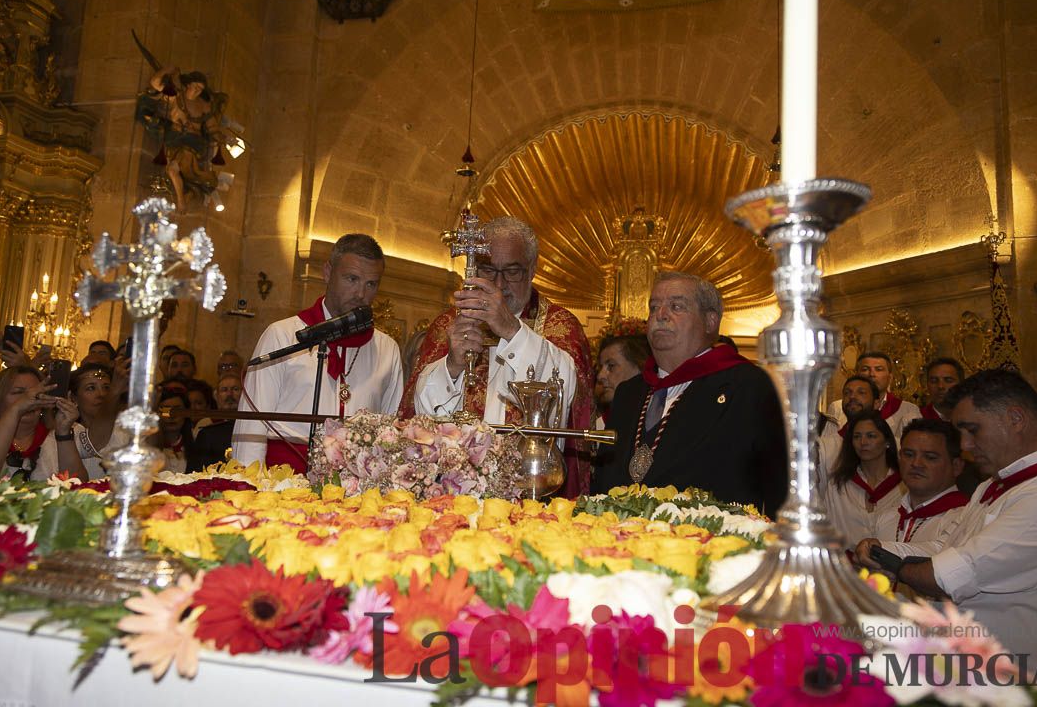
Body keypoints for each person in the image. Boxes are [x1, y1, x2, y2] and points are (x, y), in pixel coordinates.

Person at [855, 369, 1037, 692]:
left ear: (1015, 418)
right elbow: (946, 547)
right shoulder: (993, 485)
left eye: (973, 431)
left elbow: (950, 574)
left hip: (1030, 682)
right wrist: (880, 549)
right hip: (977, 673)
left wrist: (895, 567)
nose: (967, 446)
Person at [403, 217, 595, 496]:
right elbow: (420, 418)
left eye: (512, 271)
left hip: (530, 493)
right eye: (488, 270)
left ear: (532, 270)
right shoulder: (450, 324)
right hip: (455, 493)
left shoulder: (560, 326)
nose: (499, 284)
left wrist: (511, 330)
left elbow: (563, 397)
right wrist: (452, 366)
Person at [590, 272, 788, 516]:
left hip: (711, 544)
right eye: (654, 307)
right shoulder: (628, 393)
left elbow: (780, 487)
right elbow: (603, 479)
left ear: (710, 321)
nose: (660, 315)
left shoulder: (748, 386)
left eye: (676, 306)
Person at [233, 233, 403, 472]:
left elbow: (389, 430)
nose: (360, 294)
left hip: (356, 483)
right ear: (327, 272)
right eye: (351, 279)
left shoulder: (387, 349)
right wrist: (247, 487)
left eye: (371, 284)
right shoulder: (283, 335)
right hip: (284, 477)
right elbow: (251, 427)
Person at [0, 365, 87, 481]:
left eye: (36, 393)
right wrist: (16, 410)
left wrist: (63, 433)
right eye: (18, 393)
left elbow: (77, 485)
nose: (30, 399)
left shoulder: (54, 438)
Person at [875, 418, 968, 545]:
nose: (916, 463)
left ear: (956, 466)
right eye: (908, 454)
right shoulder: (887, 517)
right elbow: (867, 565)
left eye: (930, 457)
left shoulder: (964, 518)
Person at [825, 409, 904, 550]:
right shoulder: (838, 484)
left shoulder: (904, 485)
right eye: (857, 437)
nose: (863, 442)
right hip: (846, 565)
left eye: (871, 436)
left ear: (887, 442)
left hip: (892, 564)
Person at [826, 351, 921, 439]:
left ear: (890, 378)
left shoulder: (908, 410)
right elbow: (829, 445)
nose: (871, 374)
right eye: (865, 369)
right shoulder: (838, 408)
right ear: (856, 375)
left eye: (879, 369)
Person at [816, 375, 879, 495]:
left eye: (861, 392)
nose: (852, 397)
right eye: (847, 393)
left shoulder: (892, 443)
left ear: (876, 403)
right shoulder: (825, 446)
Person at [66, 363, 123, 480]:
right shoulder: (68, 432)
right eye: (91, 388)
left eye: (107, 388)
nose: (101, 395)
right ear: (73, 398)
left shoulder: (125, 430)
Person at [188, 372, 242, 472]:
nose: (230, 394)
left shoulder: (252, 425)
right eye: (224, 390)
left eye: (235, 389)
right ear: (216, 396)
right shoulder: (206, 429)